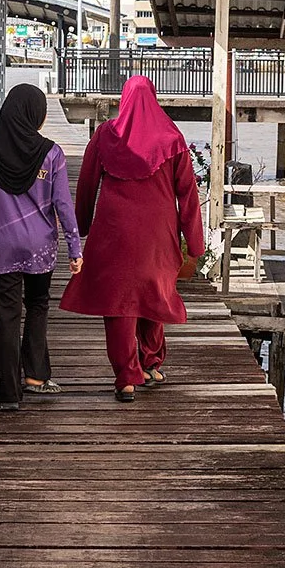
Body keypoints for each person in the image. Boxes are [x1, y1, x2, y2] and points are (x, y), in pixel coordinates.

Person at [60, 75, 205, 402]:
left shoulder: (105, 136)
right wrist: (194, 245)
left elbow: (86, 185)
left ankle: (126, 378)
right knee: (155, 291)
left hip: (113, 235)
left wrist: (81, 226)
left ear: (123, 100)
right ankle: (151, 363)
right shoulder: (172, 138)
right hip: (157, 236)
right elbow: (189, 196)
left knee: (119, 302)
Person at [0, 83, 82, 410]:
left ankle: (9, 393)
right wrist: (75, 248)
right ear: (36, 116)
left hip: (0, 248)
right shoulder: (52, 154)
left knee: (7, 317)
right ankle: (36, 376)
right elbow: (63, 205)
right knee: (38, 306)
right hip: (39, 250)